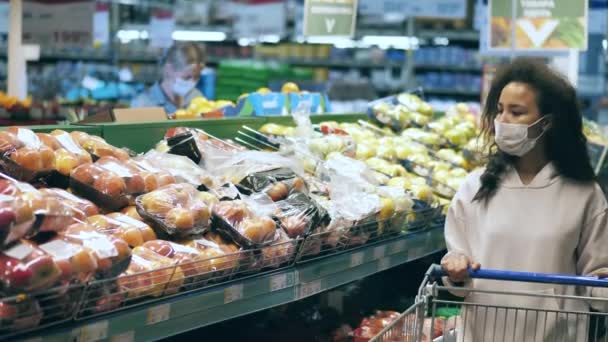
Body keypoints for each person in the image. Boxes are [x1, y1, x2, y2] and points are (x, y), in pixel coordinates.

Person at [440, 58, 608, 341]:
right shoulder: (474, 188)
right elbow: (458, 283)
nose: (502, 121)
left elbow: (598, 285)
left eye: (516, 112)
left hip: (556, 334)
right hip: (484, 333)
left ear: (548, 123)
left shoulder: (584, 194)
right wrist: (455, 268)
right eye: (500, 110)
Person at [131, 42, 205, 114]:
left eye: (196, 77)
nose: (192, 82)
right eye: (187, 77)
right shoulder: (142, 105)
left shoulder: (197, 97)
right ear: (169, 69)